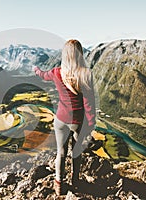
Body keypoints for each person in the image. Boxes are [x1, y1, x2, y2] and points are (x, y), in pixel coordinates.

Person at [34, 39, 96, 196]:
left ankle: (59, 184)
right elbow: (89, 104)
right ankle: (75, 181)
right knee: (76, 152)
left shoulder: (56, 72)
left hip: (61, 120)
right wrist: (91, 124)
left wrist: (36, 70)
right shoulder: (85, 74)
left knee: (61, 153)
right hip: (78, 122)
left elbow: (43, 75)